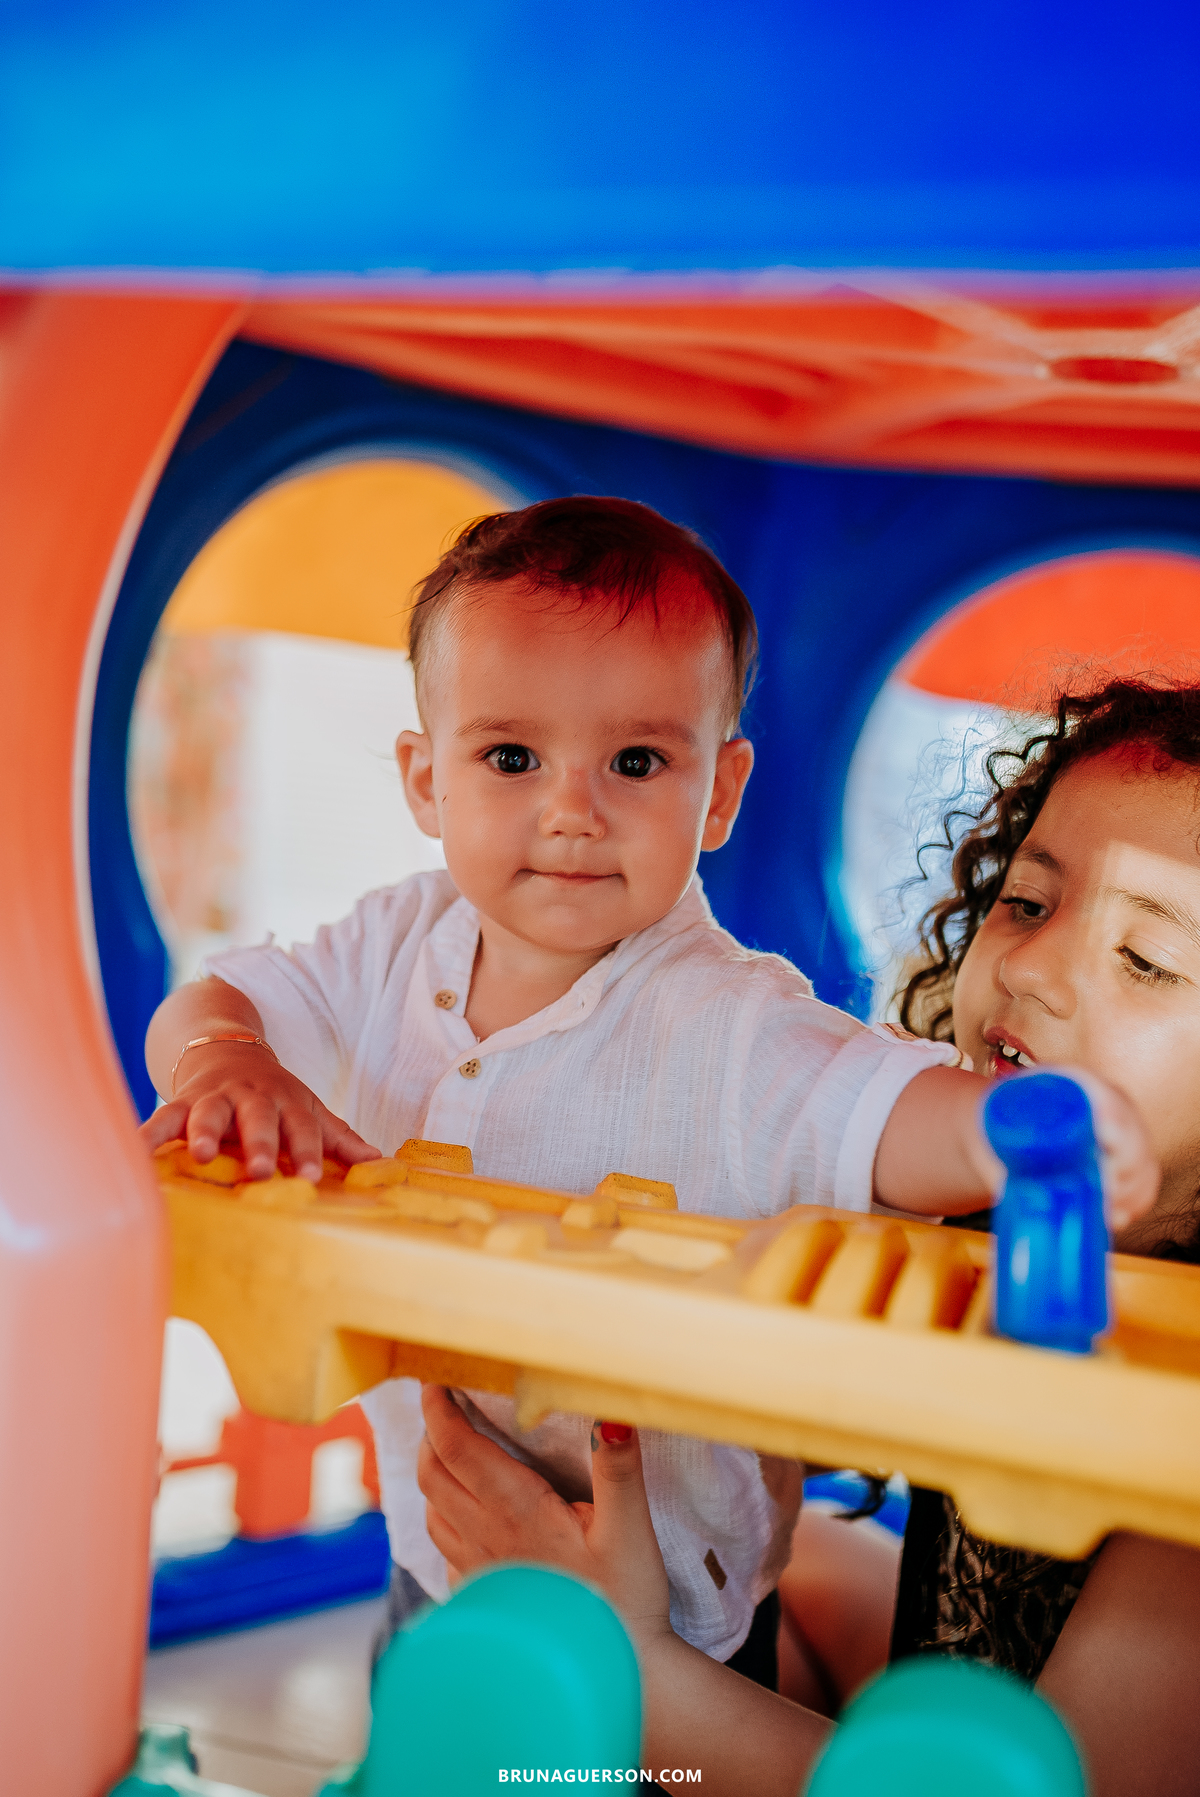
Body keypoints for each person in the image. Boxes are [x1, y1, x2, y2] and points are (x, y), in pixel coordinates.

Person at [139, 501, 1155, 1689]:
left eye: (636, 762)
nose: (574, 809)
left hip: (682, 1626)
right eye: (512, 758)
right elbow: (222, 1001)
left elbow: (881, 1115)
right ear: (427, 779)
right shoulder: (385, 945)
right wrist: (226, 1062)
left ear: (719, 795)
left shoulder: (730, 1024)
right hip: (443, 1544)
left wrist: (1014, 1132)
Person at [417, 679, 1200, 1797]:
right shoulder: (982, 1238)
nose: (1026, 967)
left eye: (1147, 961)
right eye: (1028, 903)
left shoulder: (1188, 1478)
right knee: (809, 1565)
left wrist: (624, 1665)